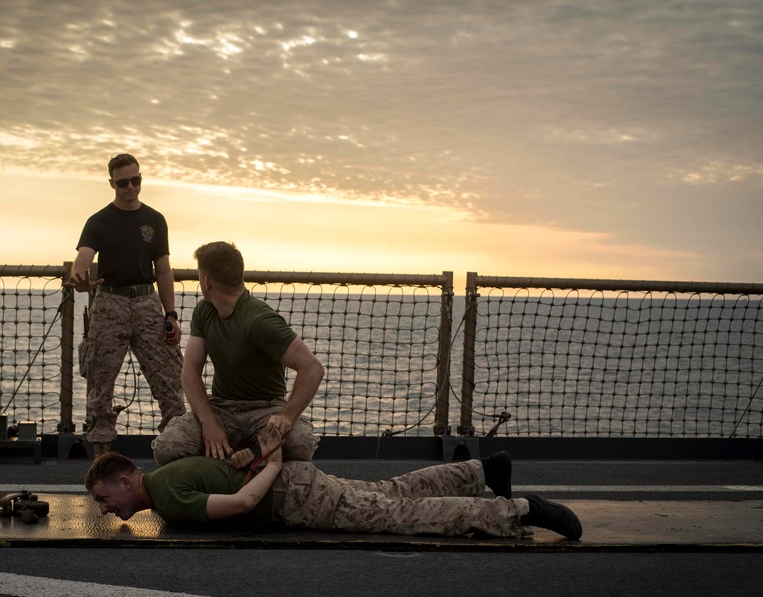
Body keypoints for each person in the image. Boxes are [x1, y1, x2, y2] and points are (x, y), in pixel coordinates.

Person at [85, 447, 583, 540]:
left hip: (294, 496)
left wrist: (274, 465)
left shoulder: (168, 496)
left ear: (126, 479)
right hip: (298, 485)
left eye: (105, 499)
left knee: (398, 515)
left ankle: (517, 510)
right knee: (388, 491)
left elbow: (242, 503)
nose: (107, 511)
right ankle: (484, 469)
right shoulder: (169, 476)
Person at [151, 241, 325, 466]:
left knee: (301, 444)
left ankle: (245, 459)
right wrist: (209, 424)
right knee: (168, 448)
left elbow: (312, 368)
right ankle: (243, 462)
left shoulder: (259, 320)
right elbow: (190, 372)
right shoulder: (204, 311)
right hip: (222, 407)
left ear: (207, 281)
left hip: (265, 408)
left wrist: (286, 417)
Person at [67, 153, 186, 459]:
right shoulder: (98, 221)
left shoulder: (155, 220)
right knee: (99, 383)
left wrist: (170, 314)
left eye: (136, 180)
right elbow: (83, 256)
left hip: (148, 304)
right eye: (123, 182)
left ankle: (176, 455)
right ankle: (102, 458)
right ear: (112, 183)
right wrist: (79, 277)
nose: (131, 187)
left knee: (170, 380)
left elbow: (163, 270)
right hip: (109, 304)